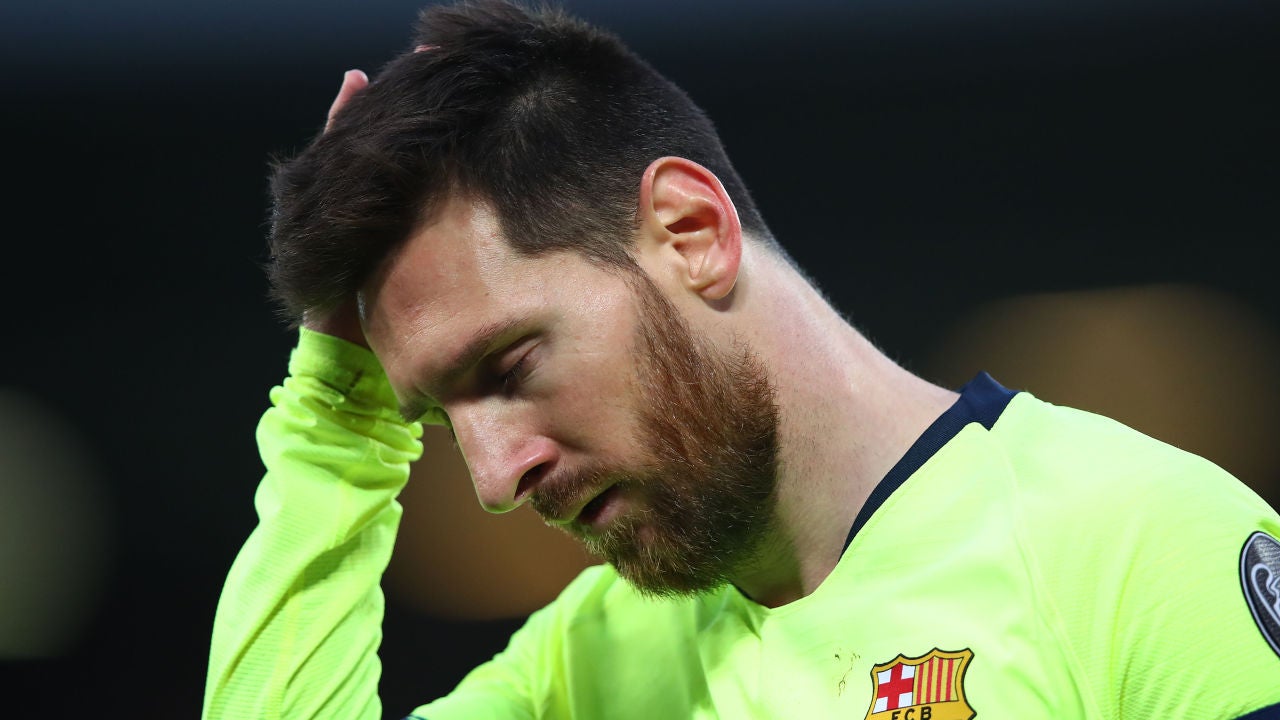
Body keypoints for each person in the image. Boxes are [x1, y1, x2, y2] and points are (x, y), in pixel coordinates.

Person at [202, 1, 1280, 718]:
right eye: (439, 417)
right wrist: (338, 421)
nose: (491, 481)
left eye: (510, 366)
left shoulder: (1132, 545)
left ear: (689, 232)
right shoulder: (588, 662)